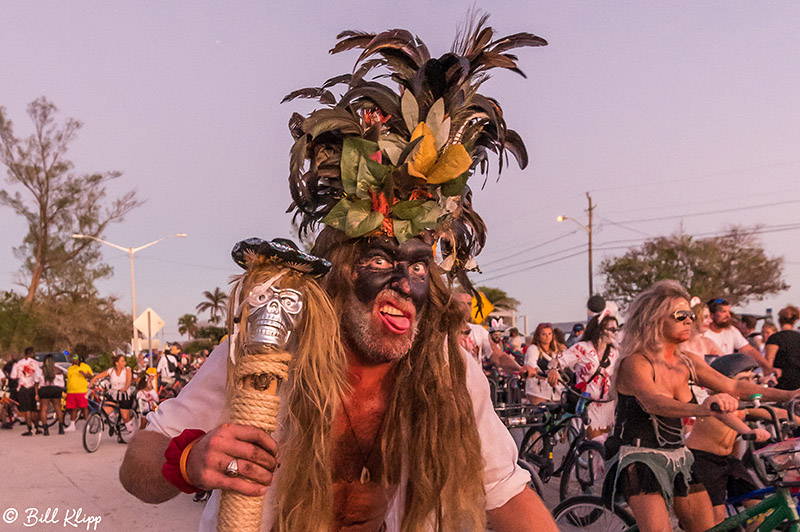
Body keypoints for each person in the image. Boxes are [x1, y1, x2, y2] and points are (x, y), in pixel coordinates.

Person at [119, 17, 556, 532]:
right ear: (340, 272)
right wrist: (189, 461)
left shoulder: (447, 371)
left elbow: (505, 494)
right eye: (378, 260)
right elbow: (137, 466)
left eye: (418, 266)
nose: (402, 284)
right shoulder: (268, 351)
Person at [610, 280, 800, 532]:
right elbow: (653, 402)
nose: (690, 320)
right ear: (654, 319)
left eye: (690, 314)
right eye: (680, 315)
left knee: (708, 528)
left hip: (680, 456)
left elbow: (732, 387)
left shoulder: (687, 361)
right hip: (640, 456)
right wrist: (704, 408)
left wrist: (788, 394)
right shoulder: (636, 362)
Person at [686, 354, 773, 526]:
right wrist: (749, 431)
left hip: (728, 461)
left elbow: (772, 412)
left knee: (758, 507)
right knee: (715, 517)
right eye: (742, 380)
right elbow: (724, 416)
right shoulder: (713, 402)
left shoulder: (741, 406)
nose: (747, 384)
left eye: (750, 379)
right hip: (703, 461)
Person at [548, 313, 619, 439]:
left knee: (605, 444)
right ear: (600, 330)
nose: (615, 333)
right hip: (588, 404)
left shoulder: (614, 353)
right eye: (612, 329)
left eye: (617, 329)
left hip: (608, 405)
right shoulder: (583, 348)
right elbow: (557, 360)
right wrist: (554, 369)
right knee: (596, 444)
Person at [703, 297, 776, 375]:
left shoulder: (731, 330)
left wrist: (768, 366)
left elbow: (749, 350)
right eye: (724, 312)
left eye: (729, 312)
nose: (728, 316)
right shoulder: (703, 333)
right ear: (712, 315)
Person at [90, 354, 135, 438]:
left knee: (125, 417)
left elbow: (129, 381)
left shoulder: (127, 370)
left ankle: (131, 433)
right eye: (122, 361)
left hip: (125, 395)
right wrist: (91, 383)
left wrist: (125, 387)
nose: (124, 362)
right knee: (105, 411)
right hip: (113, 394)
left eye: (124, 361)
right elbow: (98, 376)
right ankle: (114, 422)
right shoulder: (110, 371)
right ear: (117, 363)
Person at [522, 323, 565, 404]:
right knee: (539, 412)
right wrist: (537, 371)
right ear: (538, 336)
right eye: (544, 334)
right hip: (538, 388)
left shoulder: (556, 350)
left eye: (549, 334)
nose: (547, 337)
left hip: (556, 389)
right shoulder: (533, 348)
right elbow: (531, 362)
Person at [765, 305, 800, 390]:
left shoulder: (775, 338)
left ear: (779, 320)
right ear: (795, 321)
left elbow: (769, 359)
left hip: (781, 380)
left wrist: (766, 376)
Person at [10, 347, 42, 436]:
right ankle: (36, 428)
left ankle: (29, 429)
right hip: (33, 387)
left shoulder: (18, 364)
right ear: (31, 353)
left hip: (23, 388)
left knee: (27, 410)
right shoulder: (36, 363)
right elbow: (39, 377)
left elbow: (13, 376)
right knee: (34, 409)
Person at [37, 354, 66, 435]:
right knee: (58, 408)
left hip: (44, 389)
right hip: (56, 389)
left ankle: (46, 430)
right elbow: (62, 383)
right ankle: (61, 428)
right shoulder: (58, 370)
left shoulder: (40, 370)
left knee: (44, 409)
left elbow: (37, 381)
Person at [65, 353, 93, 424]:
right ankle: (72, 425)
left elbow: (90, 376)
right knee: (73, 408)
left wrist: (84, 374)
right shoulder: (70, 368)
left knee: (84, 408)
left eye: (76, 359)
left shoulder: (85, 366)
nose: (74, 361)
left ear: (80, 360)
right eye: (73, 359)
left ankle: (87, 424)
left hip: (81, 391)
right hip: (71, 391)